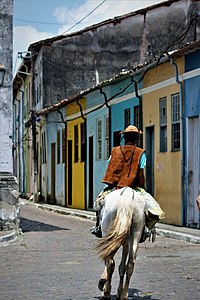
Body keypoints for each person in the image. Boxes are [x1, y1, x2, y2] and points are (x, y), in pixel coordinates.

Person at [91, 125, 147, 238]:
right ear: (136, 139)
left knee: (99, 202)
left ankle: (98, 227)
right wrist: (142, 186)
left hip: (115, 186)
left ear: (124, 138)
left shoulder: (115, 151)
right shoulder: (141, 153)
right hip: (132, 187)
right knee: (148, 206)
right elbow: (141, 174)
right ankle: (144, 229)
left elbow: (110, 167)